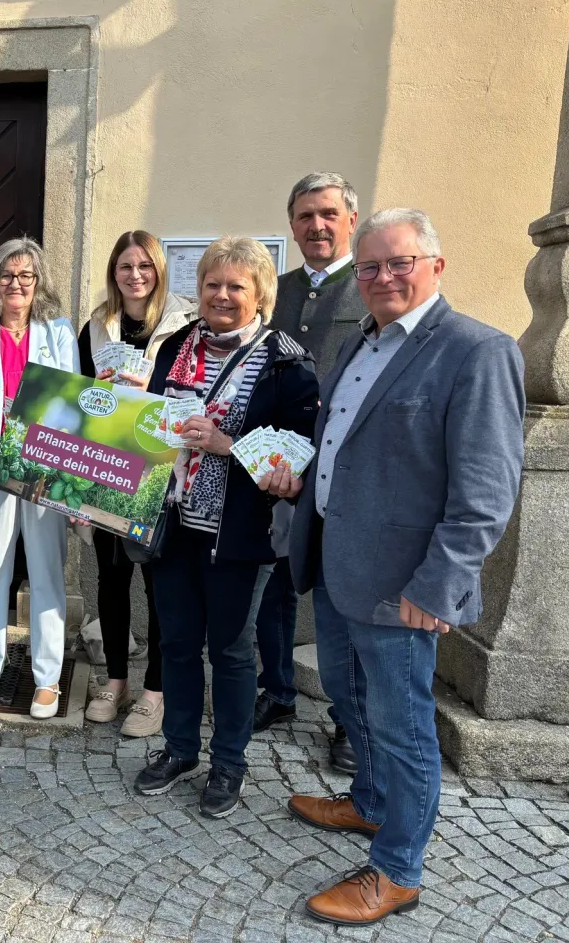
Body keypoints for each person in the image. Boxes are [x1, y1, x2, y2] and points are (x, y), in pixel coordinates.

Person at [272, 209, 524, 925]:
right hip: (338, 561)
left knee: (402, 724)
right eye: (371, 266)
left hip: (404, 586)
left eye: (399, 262)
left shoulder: (478, 352)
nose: (383, 277)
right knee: (352, 703)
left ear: (435, 266)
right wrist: (301, 479)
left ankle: (398, 868)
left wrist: (440, 583)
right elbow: (346, 443)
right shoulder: (362, 339)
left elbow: (485, 491)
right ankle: (371, 802)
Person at [133, 236, 319, 820]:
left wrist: (227, 444)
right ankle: (181, 749)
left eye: (236, 286)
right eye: (212, 283)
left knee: (233, 652)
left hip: (239, 533)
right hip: (174, 522)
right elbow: (155, 418)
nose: (221, 295)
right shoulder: (177, 349)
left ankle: (229, 763)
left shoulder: (285, 361)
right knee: (179, 643)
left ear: (261, 293)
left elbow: (297, 453)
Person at [255, 172, 363, 774]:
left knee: (339, 598)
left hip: (341, 467)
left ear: (349, 218)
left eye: (327, 215)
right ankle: (277, 692)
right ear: (291, 225)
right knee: (274, 587)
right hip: (276, 463)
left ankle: (349, 723)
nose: (316, 227)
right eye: (304, 217)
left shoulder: (368, 283)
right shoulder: (279, 288)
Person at [78, 231, 195, 736]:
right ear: (114, 272)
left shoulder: (185, 324)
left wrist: (150, 390)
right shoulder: (97, 325)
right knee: (111, 576)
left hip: (161, 470)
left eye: (145, 266)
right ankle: (117, 679)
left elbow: (194, 391)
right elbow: (79, 394)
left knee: (159, 583)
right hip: (108, 464)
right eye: (126, 266)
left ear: (160, 270)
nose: (135, 275)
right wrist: (94, 394)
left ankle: (156, 691)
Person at [0, 238, 78, 719]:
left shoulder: (59, 332)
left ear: (38, 281)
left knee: (46, 570)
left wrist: (59, 464)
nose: (16, 284)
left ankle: (47, 678)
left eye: (26, 275)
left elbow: (67, 402)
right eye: (7, 275)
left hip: (43, 467)